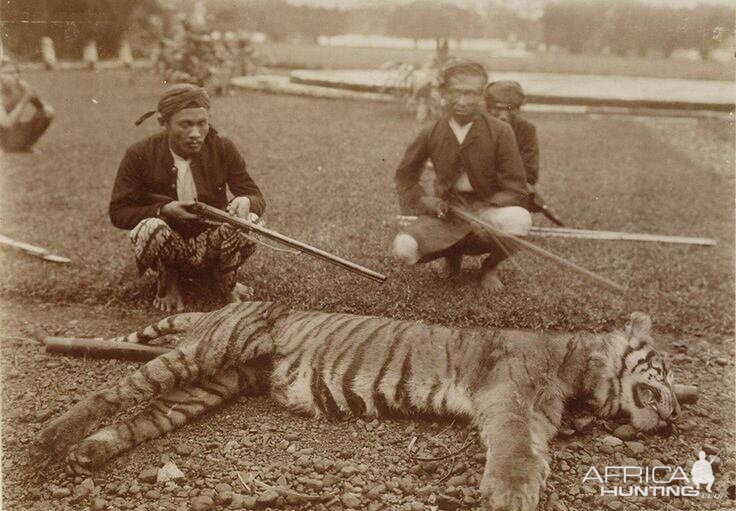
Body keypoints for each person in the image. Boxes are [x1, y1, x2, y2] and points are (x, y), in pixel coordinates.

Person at [109, 83, 265, 312]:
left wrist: (246, 201)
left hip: (213, 243)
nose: (195, 133)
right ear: (163, 123)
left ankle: (224, 280)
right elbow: (118, 212)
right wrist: (163, 210)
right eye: (185, 125)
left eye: (202, 123)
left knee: (252, 221)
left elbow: (254, 195)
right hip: (170, 243)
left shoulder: (222, 148)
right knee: (149, 228)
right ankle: (169, 282)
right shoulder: (139, 154)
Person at [392, 60, 531, 291]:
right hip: (447, 214)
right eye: (457, 92)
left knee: (519, 220)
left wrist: (485, 209)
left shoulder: (501, 131)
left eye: (472, 93)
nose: (464, 101)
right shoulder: (431, 132)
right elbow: (405, 177)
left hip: (486, 210)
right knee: (404, 248)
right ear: (444, 93)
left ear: (481, 95)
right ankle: (452, 257)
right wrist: (427, 202)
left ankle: (489, 267)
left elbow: (516, 187)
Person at [485, 80, 539, 188]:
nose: (504, 115)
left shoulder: (526, 130)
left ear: (518, 110)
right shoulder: (477, 126)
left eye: (510, 109)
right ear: (488, 108)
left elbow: (530, 175)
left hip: (512, 189)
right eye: (498, 108)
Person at [0, 60, 55, 153]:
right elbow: (6, 123)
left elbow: (41, 107)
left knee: (48, 112)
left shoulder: (22, 86)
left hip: (10, 130)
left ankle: (26, 144)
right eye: (9, 73)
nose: (15, 76)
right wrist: (25, 99)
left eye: (17, 72)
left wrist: (35, 97)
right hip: (4, 127)